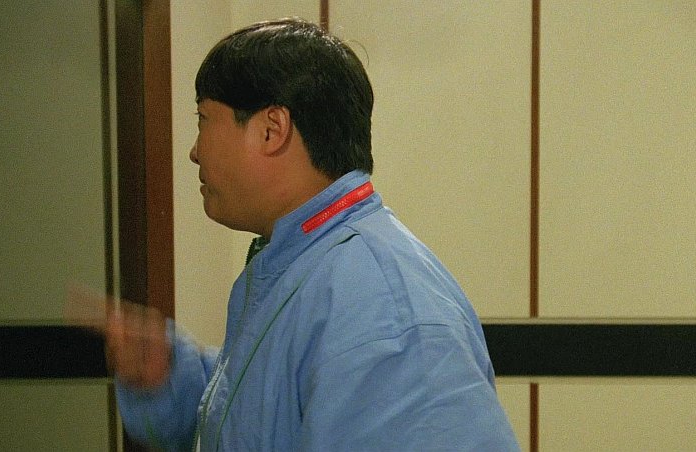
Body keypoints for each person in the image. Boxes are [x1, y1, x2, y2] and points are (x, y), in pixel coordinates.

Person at [102, 18, 519, 451]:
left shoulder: (381, 311)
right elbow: (269, 423)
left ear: (272, 129)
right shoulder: (311, 266)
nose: (194, 151)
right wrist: (168, 380)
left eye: (204, 119)